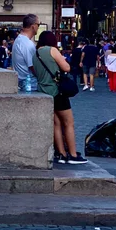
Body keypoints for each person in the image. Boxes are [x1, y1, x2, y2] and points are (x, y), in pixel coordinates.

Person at [35, 31, 87, 165]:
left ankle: (62, 154)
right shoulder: (52, 50)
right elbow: (67, 67)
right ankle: (73, 155)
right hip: (57, 91)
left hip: (43, 91)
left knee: (56, 124)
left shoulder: (35, 53)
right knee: (68, 123)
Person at [11, 14, 39, 92]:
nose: (38, 27)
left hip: (21, 82)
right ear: (33, 26)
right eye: (38, 24)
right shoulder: (27, 43)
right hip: (29, 83)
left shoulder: (19, 40)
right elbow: (33, 66)